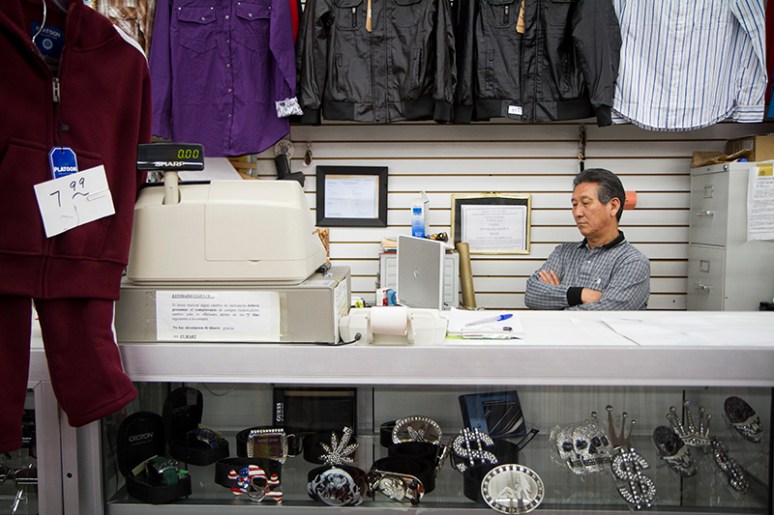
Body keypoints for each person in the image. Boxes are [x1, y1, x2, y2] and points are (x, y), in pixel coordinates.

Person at [525, 168, 650, 310]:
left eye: (586, 203)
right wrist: (581, 294)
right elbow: (531, 294)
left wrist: (555, 301)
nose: (577, 213)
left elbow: (607, 313)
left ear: (613, 206)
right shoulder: (563, 252)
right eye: (574, 205)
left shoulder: (632, 262)